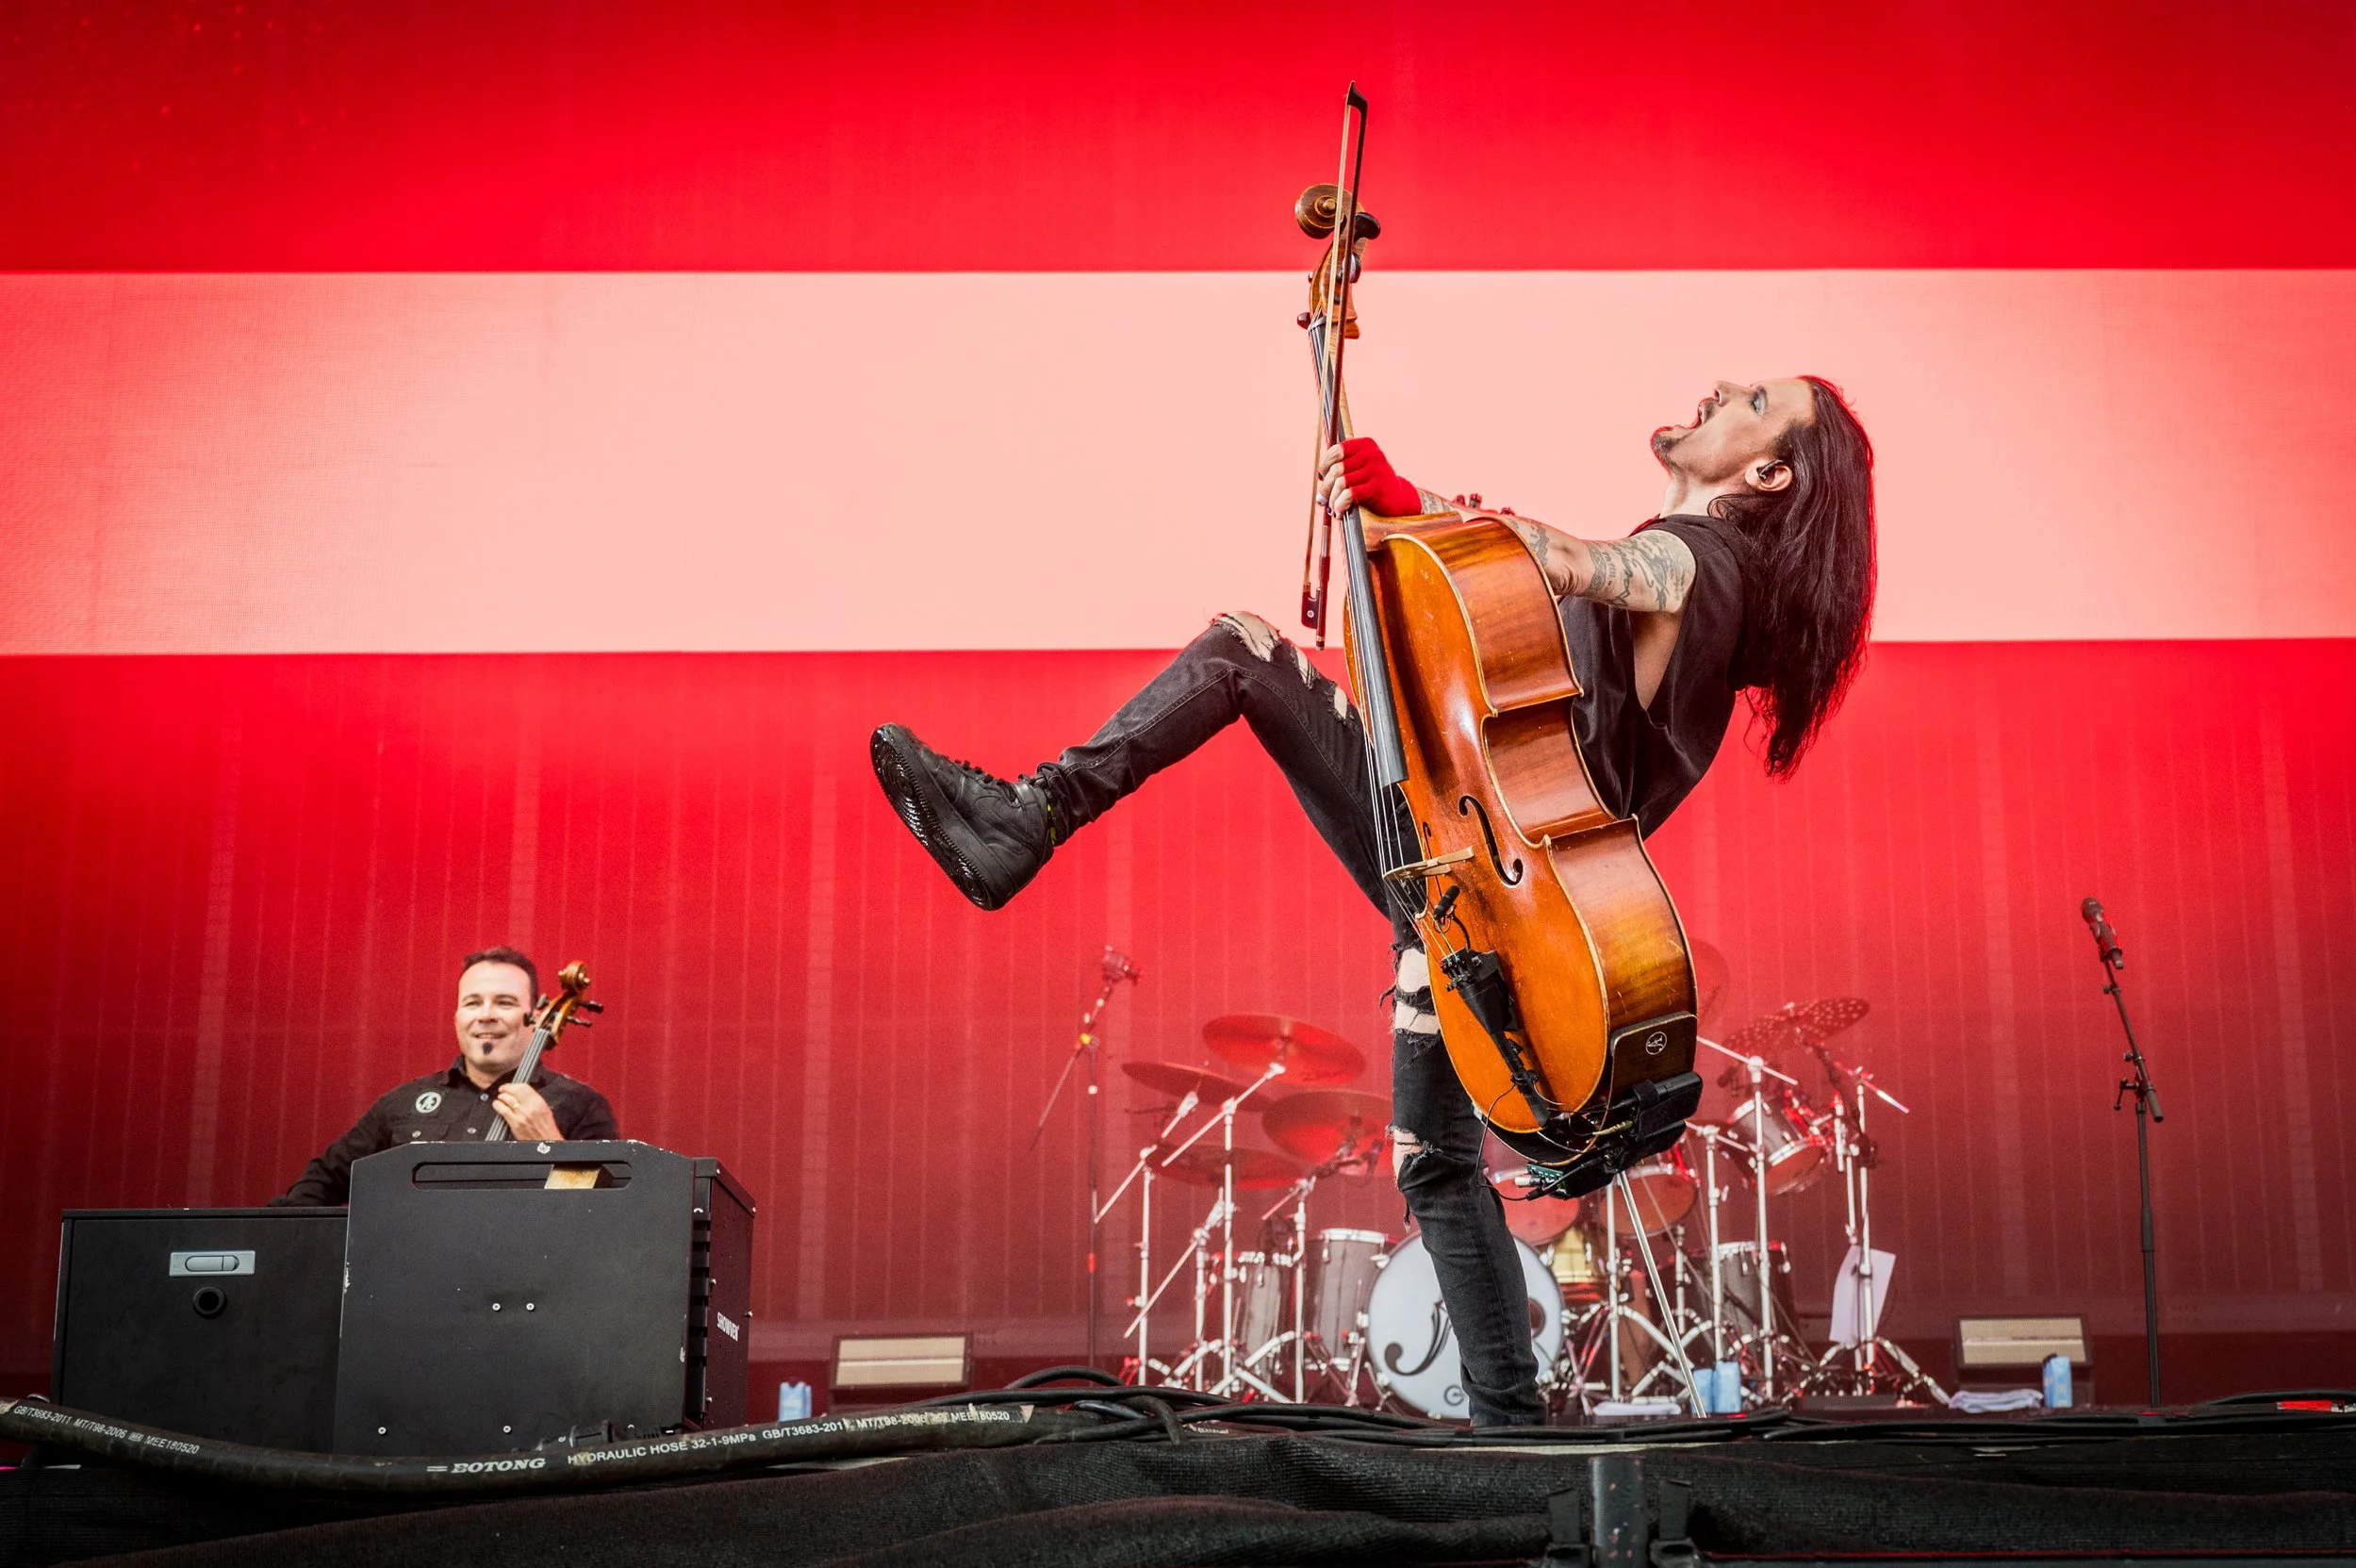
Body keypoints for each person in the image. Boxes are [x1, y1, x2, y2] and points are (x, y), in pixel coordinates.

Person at [870, 376, 1876, 1425]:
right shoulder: (1701, 577)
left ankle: (1029, 818)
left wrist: (1439, 509)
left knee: (1245, 652)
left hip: (1481, 876)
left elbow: (1592, 562)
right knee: (1436, 1168)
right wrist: (1419, 508)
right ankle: (1509, 1426)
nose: (1720, 387)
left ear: (1767, 472)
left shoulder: (1703, 562)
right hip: (1483, 885)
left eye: (1753, 398)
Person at [274, 947, 619, 1206]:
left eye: (504, 1002)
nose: (486, 1016)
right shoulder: (403, 1104)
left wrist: (551, 1145)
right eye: (472, 1003)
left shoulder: (580, 1105)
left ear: (535, 1016)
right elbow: (318, 1185)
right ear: (456, 1017)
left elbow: (610, 1215)